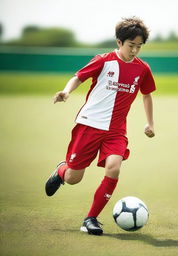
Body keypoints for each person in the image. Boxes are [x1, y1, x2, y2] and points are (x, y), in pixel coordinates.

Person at [45, 16, 156, 236]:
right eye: (130, 45)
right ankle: (62, 169)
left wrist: (150, 123)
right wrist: (66, 91)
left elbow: (147, 95)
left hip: (116, 131)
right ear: (119, 42)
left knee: (114, 167)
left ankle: (90, 219)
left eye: (139, 46)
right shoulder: (103, 61)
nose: (134, 50)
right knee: (73, 178)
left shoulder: (142, 69)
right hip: (89, 125)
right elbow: (78, 77)